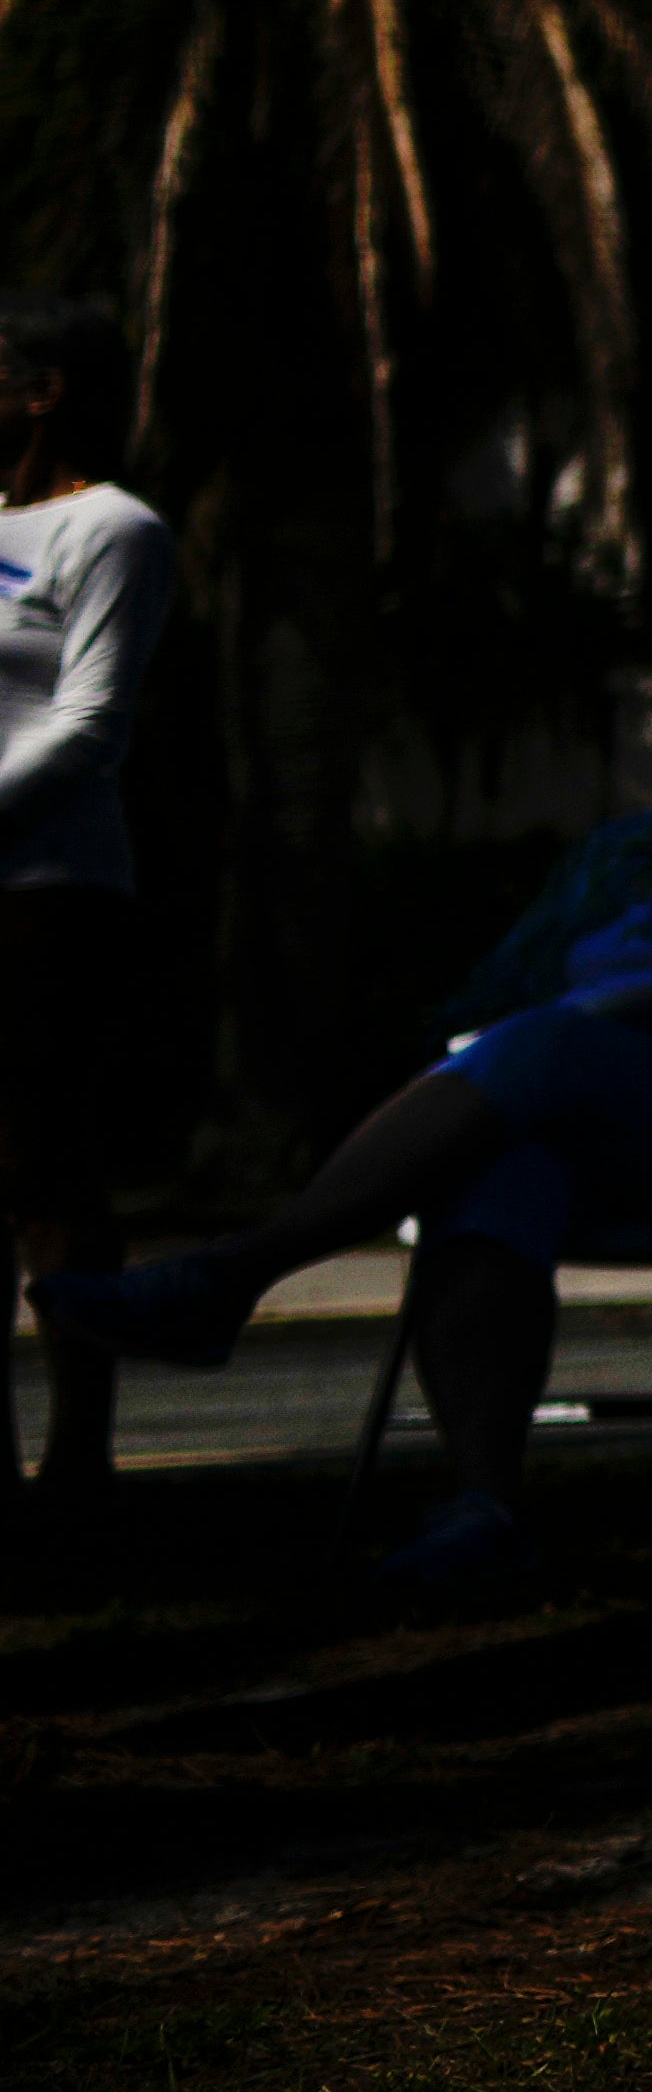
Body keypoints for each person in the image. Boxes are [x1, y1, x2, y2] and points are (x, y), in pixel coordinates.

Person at [45, 611, 652, 1595]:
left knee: (556, 1043)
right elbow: (486, 999)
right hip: (603, 1127)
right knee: (503, 1161)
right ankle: (484, 1508)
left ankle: (239, 1272)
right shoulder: (624, 855)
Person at [0, 295, 188, 1489]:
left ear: (43, 390)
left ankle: (78, 1462)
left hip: (46, 891)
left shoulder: (113, 530)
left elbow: (89, 724)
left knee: (44, 1165)